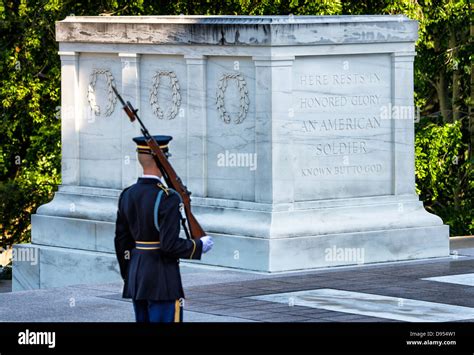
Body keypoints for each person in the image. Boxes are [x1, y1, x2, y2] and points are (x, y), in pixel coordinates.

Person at [114, 135, 213, 323]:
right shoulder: (168, 197)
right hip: (163, 279)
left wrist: (130, 274)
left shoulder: (127, 194)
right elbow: (169, 245)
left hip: (137, 278)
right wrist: (197, 246)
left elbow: (121, 243)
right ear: (163, 160)